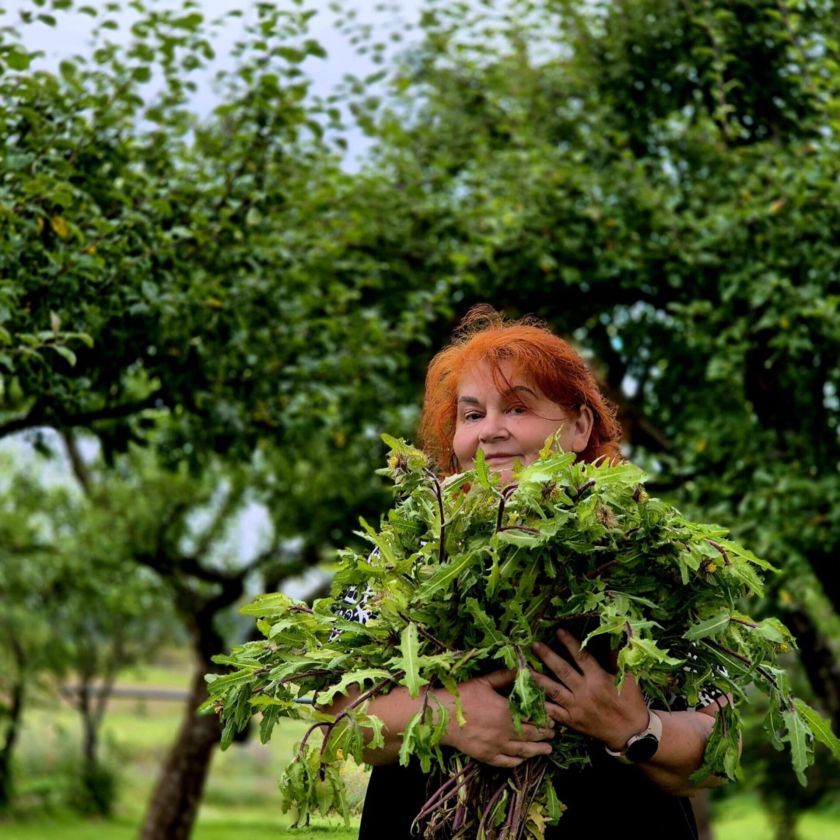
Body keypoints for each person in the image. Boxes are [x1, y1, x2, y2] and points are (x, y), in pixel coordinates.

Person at [332, 306, 726, 839]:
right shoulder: (403, 557)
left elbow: (720, 747)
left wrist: (637, 729)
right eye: (472, 416)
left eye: (517, 409)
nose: (491, 431)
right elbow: (337, 718)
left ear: (581, 425)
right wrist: (445, 713)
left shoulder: (654, 555)